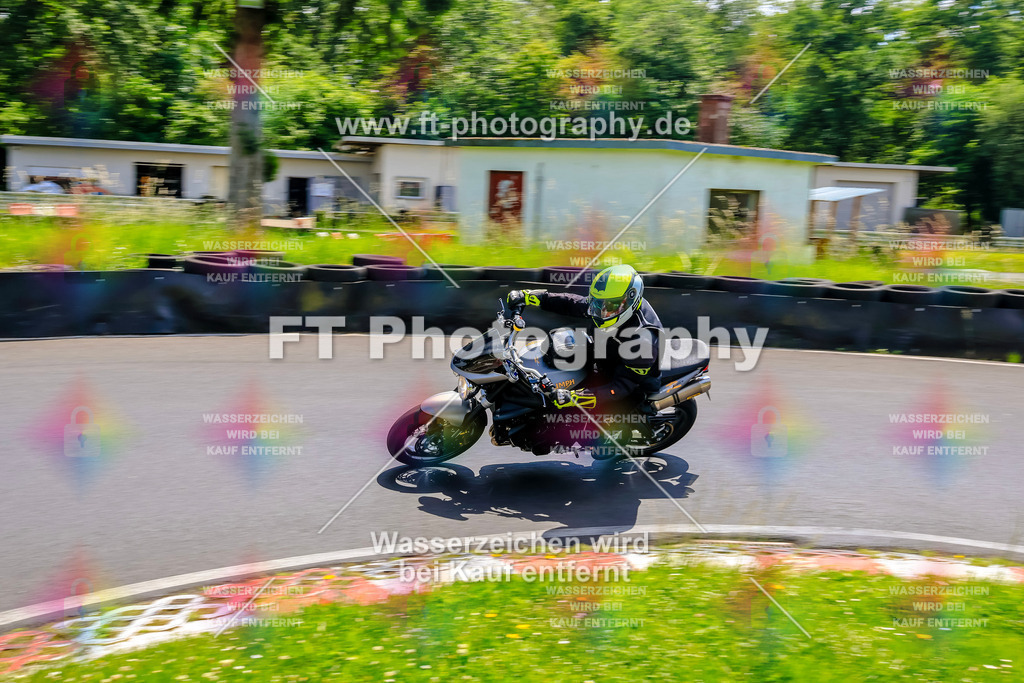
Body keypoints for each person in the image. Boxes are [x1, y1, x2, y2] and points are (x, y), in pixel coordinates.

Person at [506, 264, 663, 415]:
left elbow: (621, 387)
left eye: (610, 305)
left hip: (630, 384)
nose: (601, 311)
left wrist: (576, 398)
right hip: (606, 356)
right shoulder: (606, 306)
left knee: (576, 419)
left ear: (630, 301)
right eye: (597, 302)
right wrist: (530, 297)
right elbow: (572, 303)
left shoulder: (643, 342)